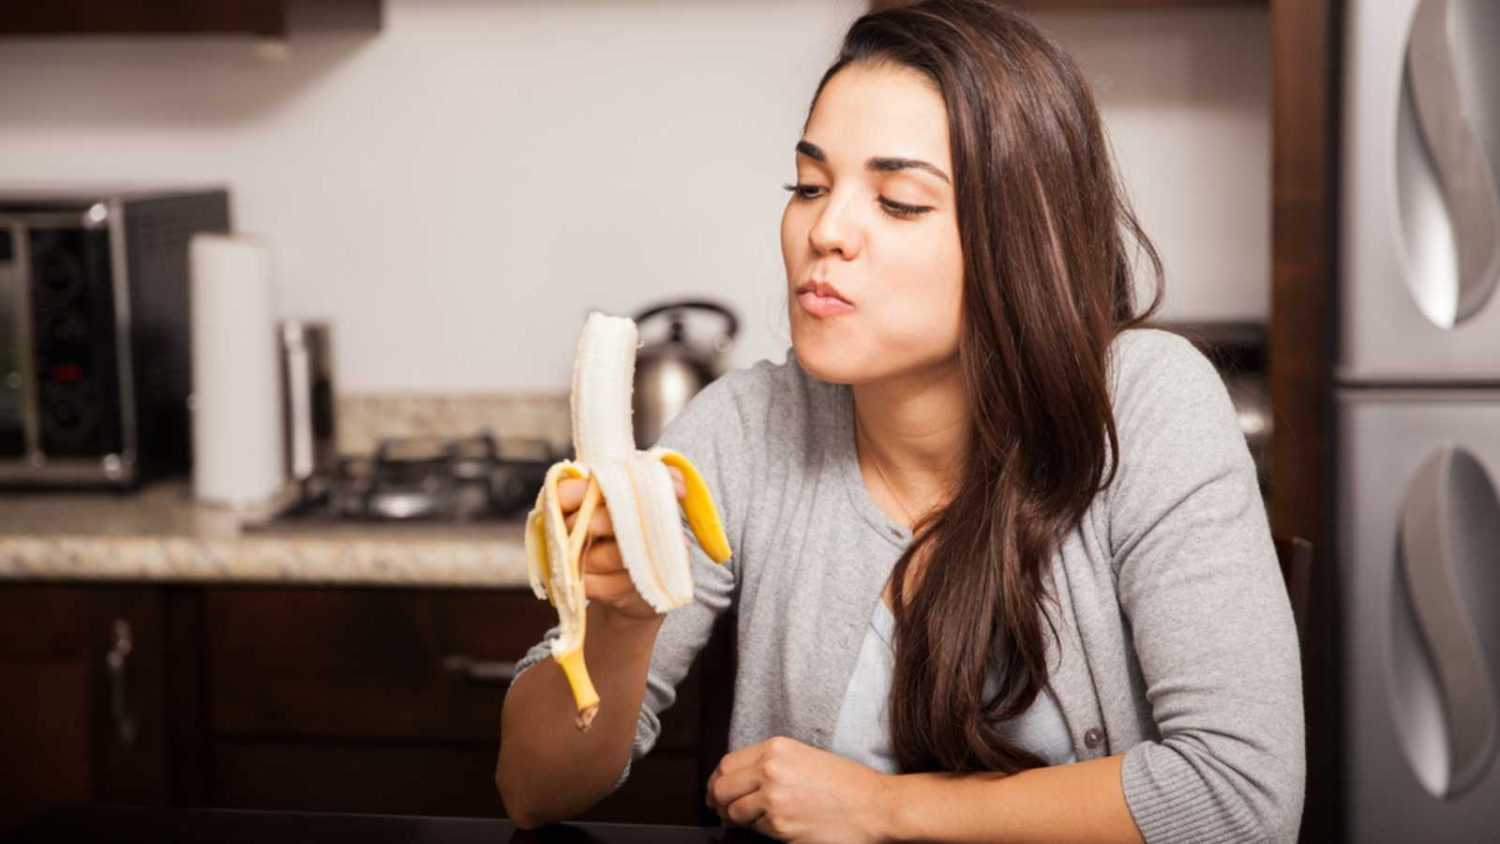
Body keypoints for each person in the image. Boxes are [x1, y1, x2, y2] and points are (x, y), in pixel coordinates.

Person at [496, 1, 1304, 841]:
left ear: (1019, 240)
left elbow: (1241, 801)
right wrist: (623, 624)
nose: (826, 230)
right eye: (808, 186)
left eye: (900, 201)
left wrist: (883, 809)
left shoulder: (1144, 405)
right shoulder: (744, 429)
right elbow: (532, 790)